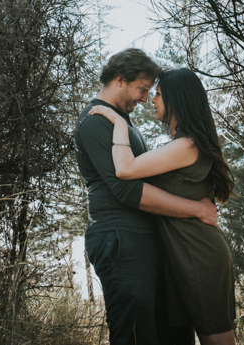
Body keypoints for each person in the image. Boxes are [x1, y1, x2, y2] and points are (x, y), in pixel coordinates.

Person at [76, 49, 218, 345]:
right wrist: (195, 209)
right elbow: (126, 189)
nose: (145, 98)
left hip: (145, 239)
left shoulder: (122, 123)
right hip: (121, 238)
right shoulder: (95, 121)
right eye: (142, 89)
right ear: (120, 80)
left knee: (171, 334)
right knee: (137, 335)